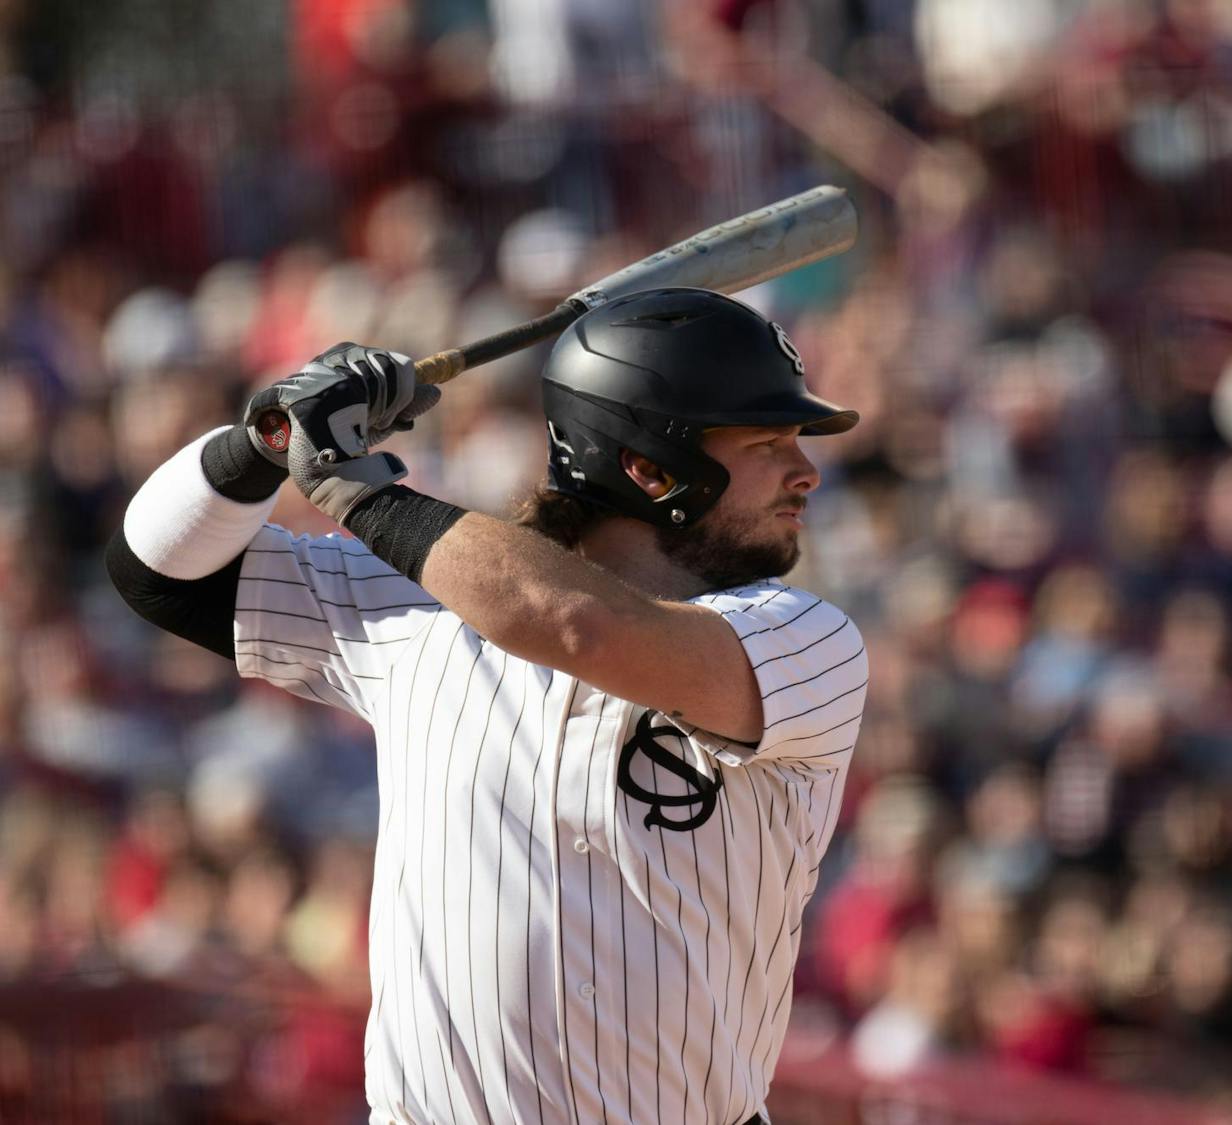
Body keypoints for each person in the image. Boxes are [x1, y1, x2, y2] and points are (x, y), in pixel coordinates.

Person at [106, 287, 869, 1125]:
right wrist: (260, 443)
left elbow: (577, 625)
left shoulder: (808, 639)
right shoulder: (418, 613)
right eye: (768, 441)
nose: (807, 470)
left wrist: (362, 489)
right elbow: (156, 567)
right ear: (650, 468)